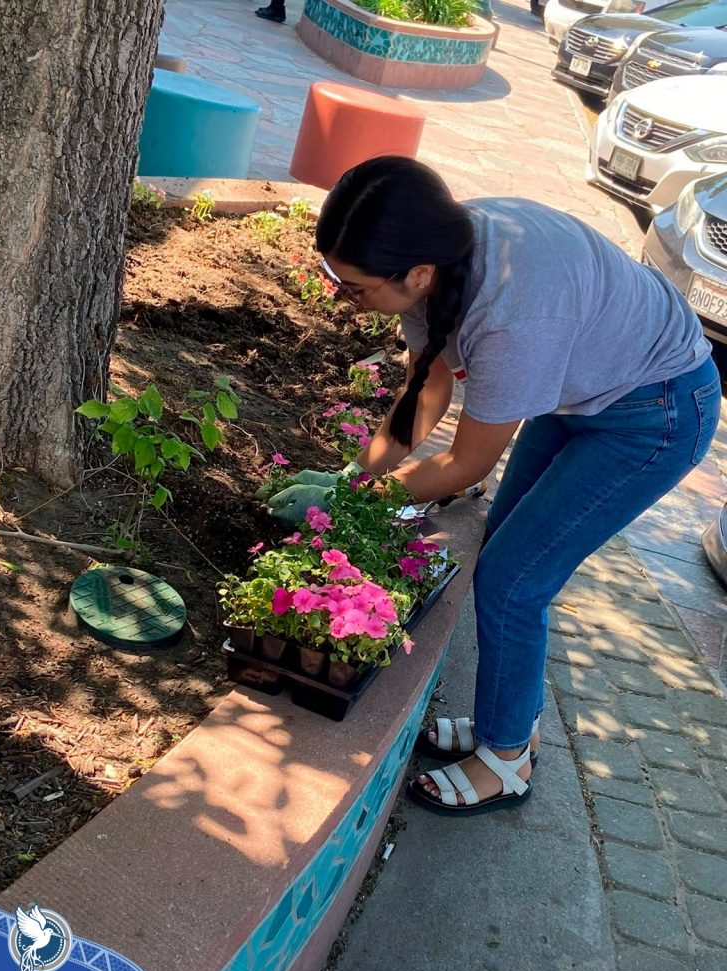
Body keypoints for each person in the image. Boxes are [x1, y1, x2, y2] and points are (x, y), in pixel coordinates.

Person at [266, 155, 721, 818]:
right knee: (506, 549)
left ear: (413, 274)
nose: (342, 295)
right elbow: (427, 385)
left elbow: (464, 466)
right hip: (590, 392)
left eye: (353, 284)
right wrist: (357, 473)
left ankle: (509, 759)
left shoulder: (513, 318)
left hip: (658, 415)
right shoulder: (441, 261)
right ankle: (500, 724)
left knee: (513, 580)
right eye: (335, 277)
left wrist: (363, 500)